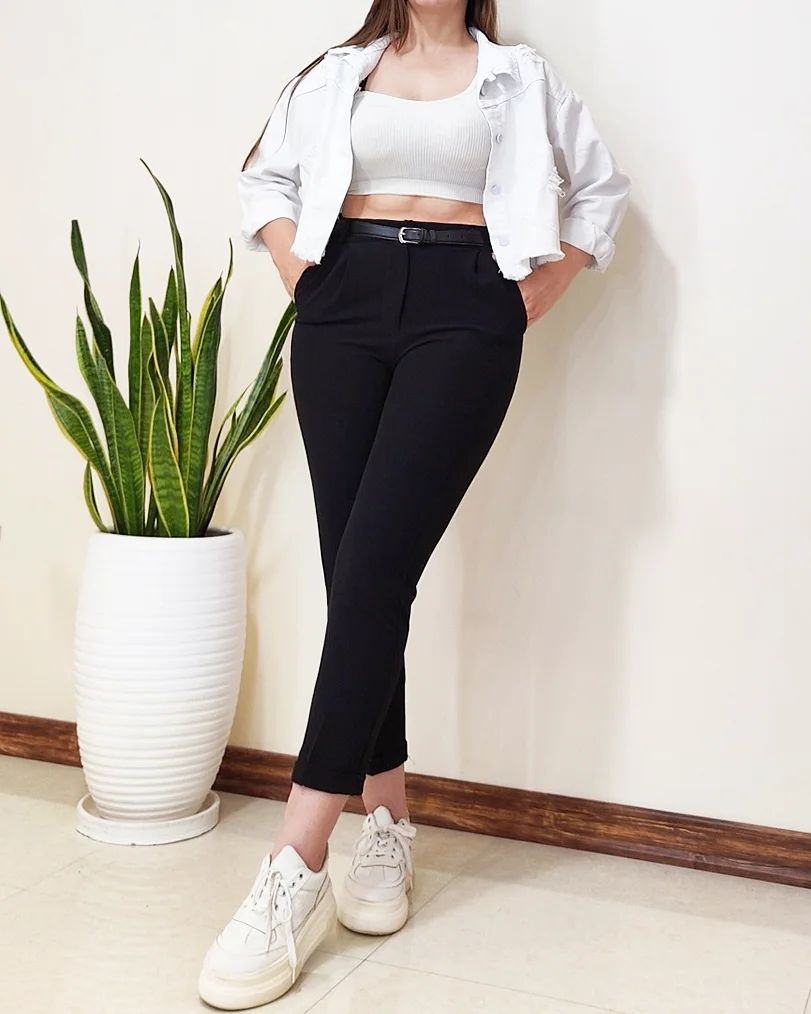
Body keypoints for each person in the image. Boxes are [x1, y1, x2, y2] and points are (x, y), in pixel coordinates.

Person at [199, 0, 631, 1007]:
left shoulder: (519, 76)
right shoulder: (335, 70)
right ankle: (386, 815)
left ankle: (296, 860)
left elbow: (600, 189)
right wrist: (298, 268)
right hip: (341, 304)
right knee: (356, 574)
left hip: (463, 310)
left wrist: (542, 284)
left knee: (375, 569)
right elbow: (264, 178)